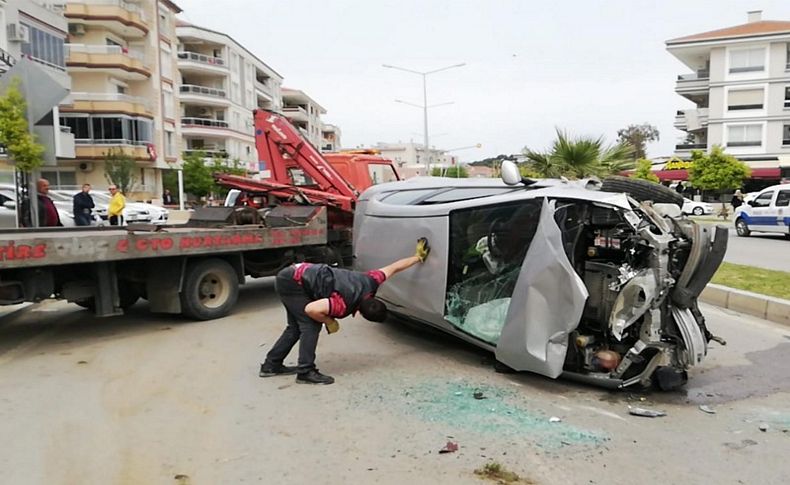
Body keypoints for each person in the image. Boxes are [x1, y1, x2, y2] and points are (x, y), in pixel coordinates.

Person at [260, 238, 432, 385]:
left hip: (294, 274)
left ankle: (271, 365)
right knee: (310, 325)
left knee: (295, 327)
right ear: (361, 314)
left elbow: (394, 268)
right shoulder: (342, 304)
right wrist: (329, 321)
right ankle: (305, 372)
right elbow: (311, 309)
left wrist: (417, 257)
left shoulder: (371, 281)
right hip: (293, 282)